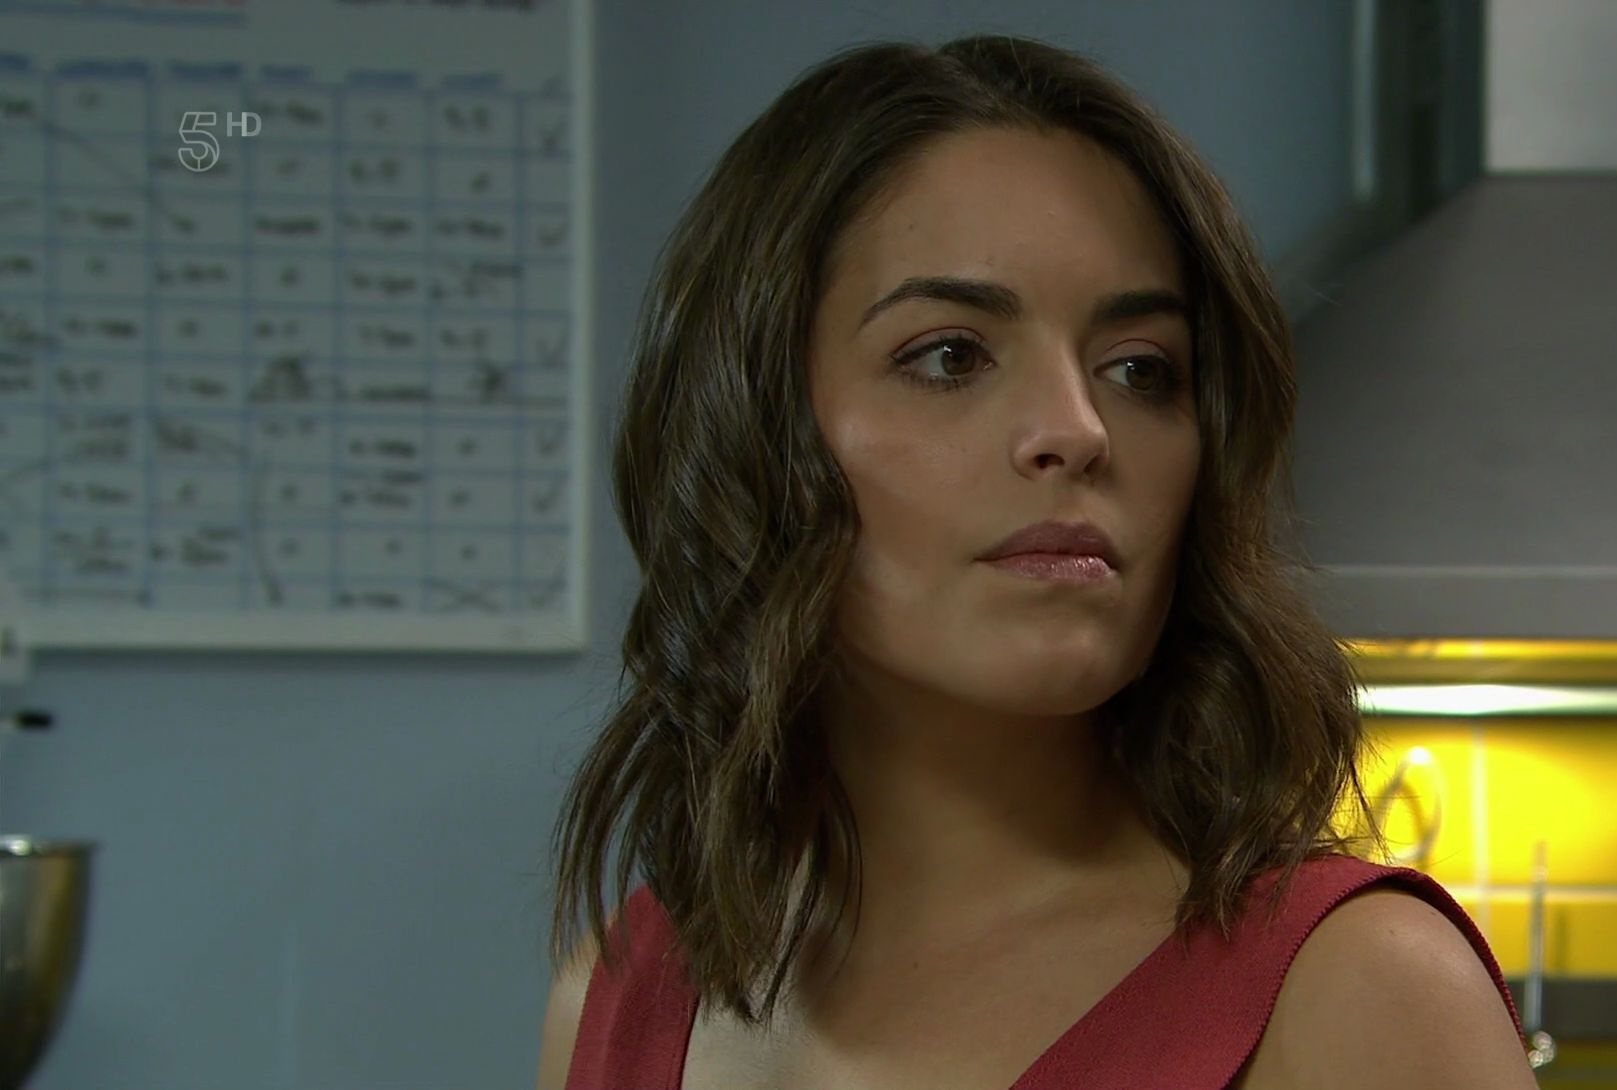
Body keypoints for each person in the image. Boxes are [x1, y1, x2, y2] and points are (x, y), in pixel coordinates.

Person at [536, 32, 1538, 1090]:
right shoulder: (618, 997)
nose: (1077, 428)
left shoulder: (1362, 990)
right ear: (751, 427)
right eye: (950, 356)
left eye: (1140, 370)